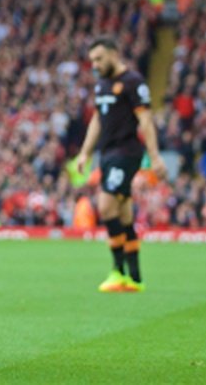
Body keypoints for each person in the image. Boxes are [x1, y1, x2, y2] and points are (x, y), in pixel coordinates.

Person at [75, 37, 167, 293]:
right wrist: (85, 153)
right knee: (124, 212)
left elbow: (146, 121)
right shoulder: (102, 84)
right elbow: (97, 120)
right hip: (107, 154)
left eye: (99, 58)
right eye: (92, 60)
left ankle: (117, 271)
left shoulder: (133, 82)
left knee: (106, 207)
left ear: (114, 54)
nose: (94, 64)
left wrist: (155, 157)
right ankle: (135, 277)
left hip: (126, 152)